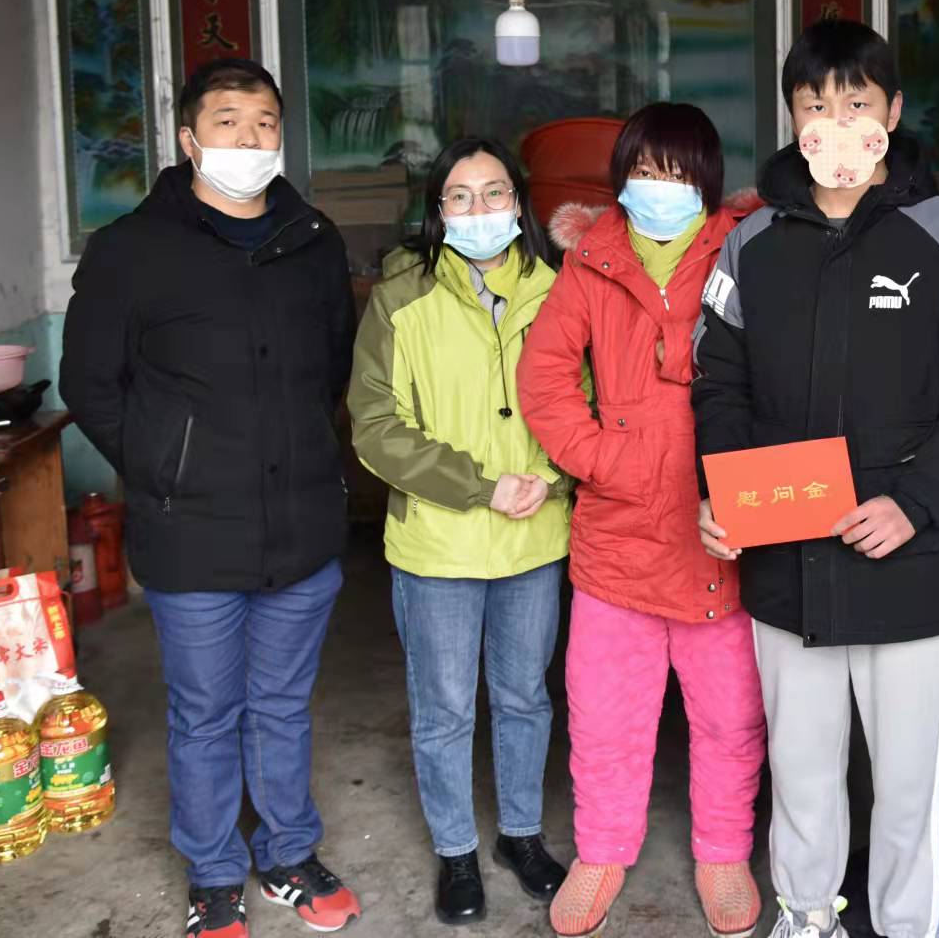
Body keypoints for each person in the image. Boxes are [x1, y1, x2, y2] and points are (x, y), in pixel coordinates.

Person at [693, 19, 939, 938]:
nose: (836, 123)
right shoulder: (751, 242)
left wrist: (915, 503)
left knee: (912, 784)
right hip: (787, 561)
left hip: (906, 564)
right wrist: (723, 492)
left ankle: (910, 926)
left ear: (893, 111)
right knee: (800, 772)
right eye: (815, 105)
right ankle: (807, 917)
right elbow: (718, 384)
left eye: (856, 103)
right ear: (792, 118)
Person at [60, 58, 362, 938]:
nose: (248, 137)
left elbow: (331, 367)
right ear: (189, 138)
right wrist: (164, 466)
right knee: (203, 712)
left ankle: (287, 854)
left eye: (265, 121)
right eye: (227, 120)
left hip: (300, 523)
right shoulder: (132, 249)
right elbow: (90, 382)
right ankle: (214, 872)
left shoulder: (312, 239)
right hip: (190, 530)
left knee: (282, 705)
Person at [517, 103, 768, 938]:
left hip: (717, 533)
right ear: (621, 178)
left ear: (708, 179)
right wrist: (604, 458)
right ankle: (600, 852)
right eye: (644, 171)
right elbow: (545, 377)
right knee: (603, 717)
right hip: (617, 532)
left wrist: (748, 482)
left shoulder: (746, 251)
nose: (660, 187)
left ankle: (723, 852)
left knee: (730, 717)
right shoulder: (592, 261)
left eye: (677, 172)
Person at [347, 136, 572, 924]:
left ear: (520, 202)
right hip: (438, 543)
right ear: (437, 210)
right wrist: (481, 485)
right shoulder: (399, 296)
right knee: (444, 708)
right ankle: (454, 851)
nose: (480, 208)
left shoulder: (557, 290)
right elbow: (375, 424)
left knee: (524, 698)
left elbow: (588, 401)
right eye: (461, 196)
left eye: (495, 192)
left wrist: (554, 476)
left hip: (534, 538)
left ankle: (520, 834)